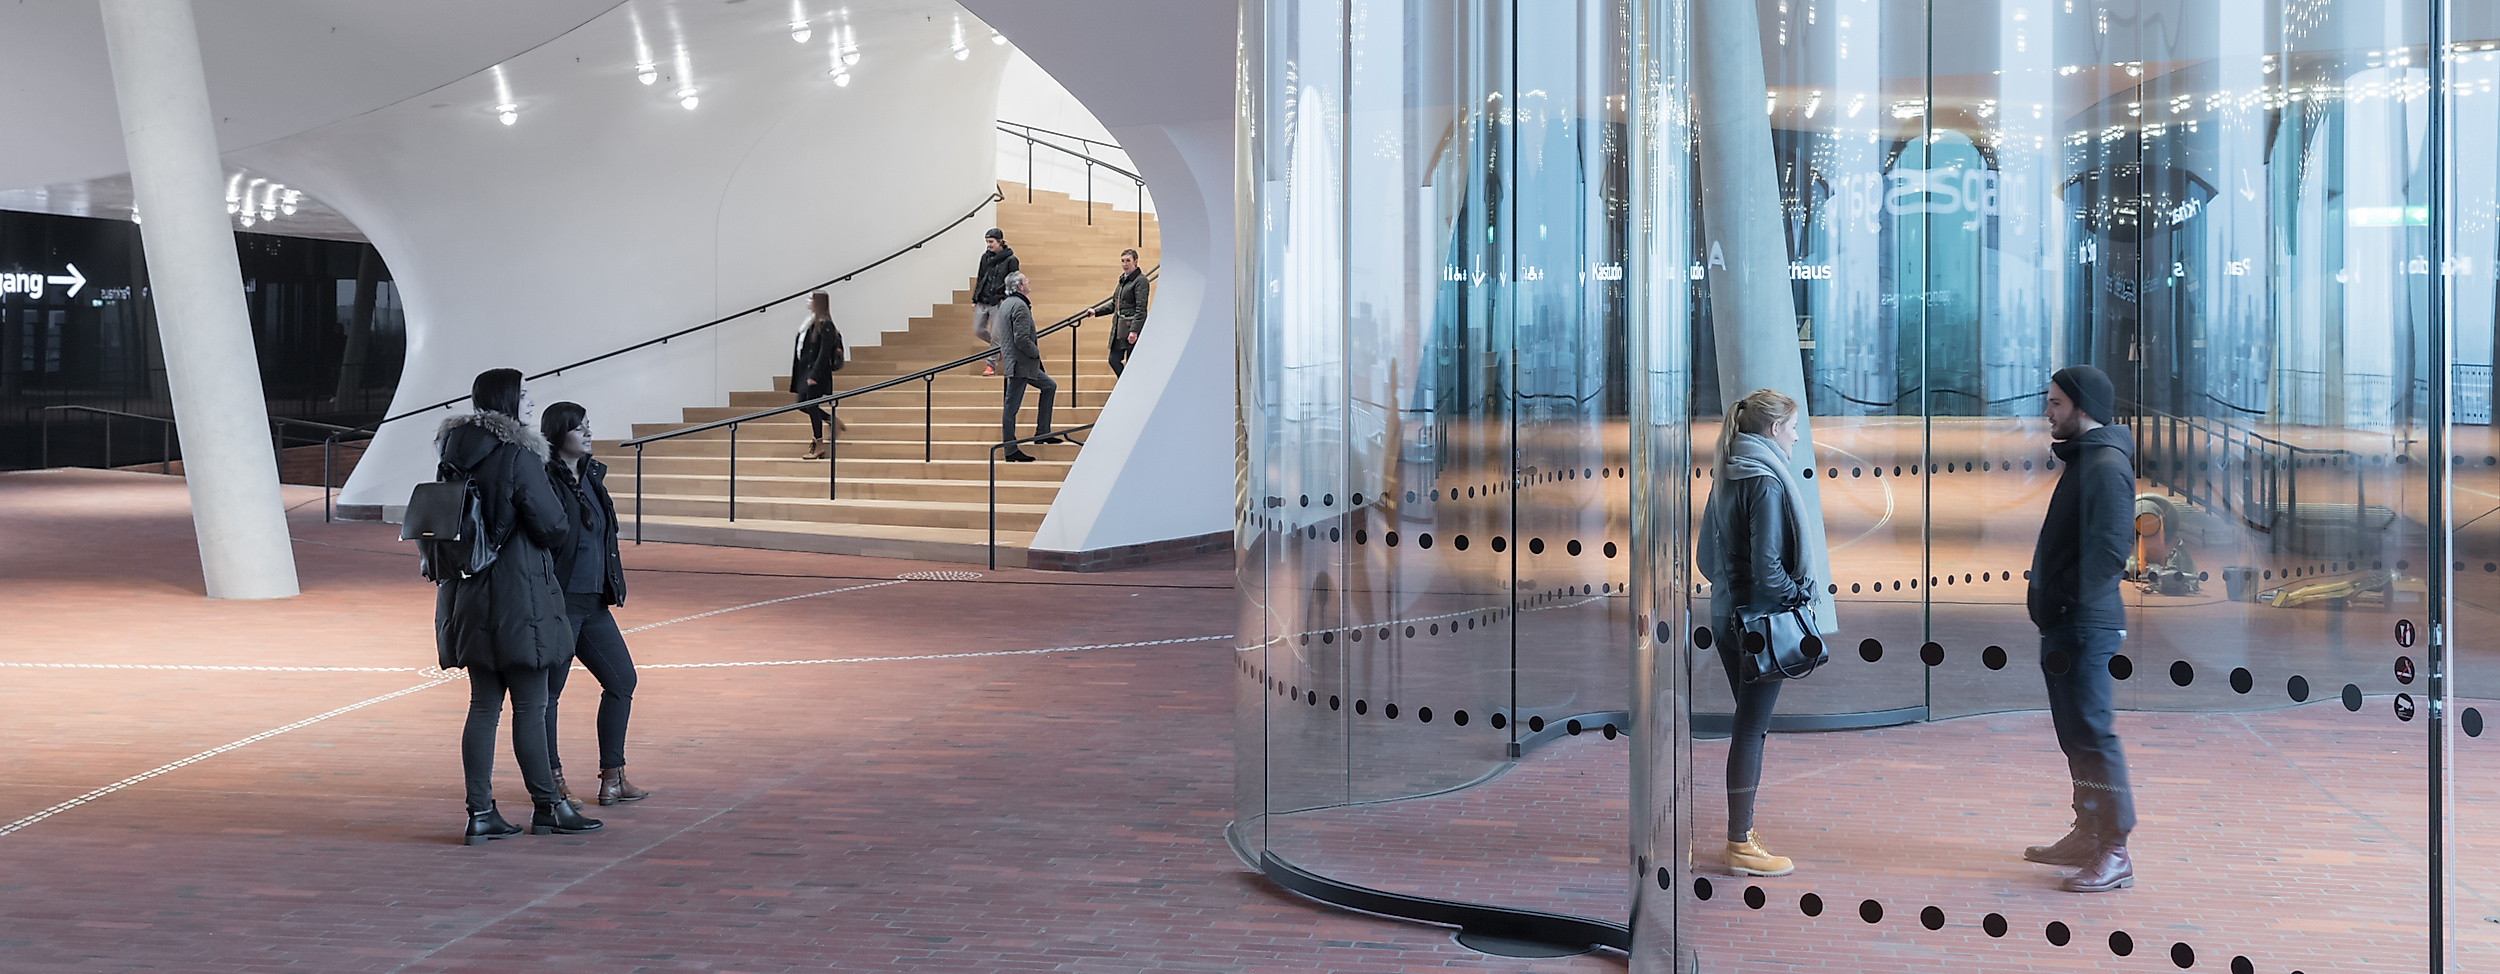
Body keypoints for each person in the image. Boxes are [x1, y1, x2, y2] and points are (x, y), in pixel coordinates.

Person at [436, 368, 603, 845]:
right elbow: (552, 526)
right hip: (518, 591)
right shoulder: (519, 454)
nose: (531, 402)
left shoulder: (453, 455)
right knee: (532, 703)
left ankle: (480, 812)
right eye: (524, 395)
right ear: (507, 401)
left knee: (483, 705)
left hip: (467, 591)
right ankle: (549, 806)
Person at [2021, 365, 2138, 893]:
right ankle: (2088, 829)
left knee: (2093, 733)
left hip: (2085, 625)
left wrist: (2060, 598)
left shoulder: (2107, 466)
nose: (2048, 410)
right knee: (2075, 737)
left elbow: (2112, 552)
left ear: (2082, 406)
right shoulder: (2088, 460)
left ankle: (2114, 848)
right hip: (2067, 624)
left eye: (2056, 403)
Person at [1695, 388, 1816, 878]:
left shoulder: (1727, 471)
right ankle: (1739, 843)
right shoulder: (1766, 482)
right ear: (1772, 430)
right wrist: (1799, 596)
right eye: (1791, 429)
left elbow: (1706, 558)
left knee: (1748, 726)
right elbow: (1769, 572)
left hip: (1726, 619)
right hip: (1762, 624)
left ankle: (1742, 835)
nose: (1794, 438)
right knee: (1751, 730)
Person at [540, 402, 653, 809]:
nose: (588, 433)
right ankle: (551, 780)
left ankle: (613, 778)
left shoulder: (591, 474)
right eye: (579, 428)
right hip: (561, 603)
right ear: (557, 435)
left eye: (589, 426)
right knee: (548, 695)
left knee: (622, 681)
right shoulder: (543, 479)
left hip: (594, 603)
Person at [997, 271, 1058, 463]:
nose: (1029, 283)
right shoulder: (1020, 306)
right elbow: (1021, 339)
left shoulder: (1006, 304)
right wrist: (1036, 353)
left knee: (1049, 386)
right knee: (1011, 408)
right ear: (1019, 287)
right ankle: (1010, 450)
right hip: (1021, 364)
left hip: (1017, 362)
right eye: (1026, 281)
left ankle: (1042, 432)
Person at [790, 292, 847, 459]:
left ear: (818, 302)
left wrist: (814, 374)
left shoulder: (826, 324)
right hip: (805, 372)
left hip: (817, 373)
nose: (807, 301)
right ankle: (832, 420)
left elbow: (823, 353)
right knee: (802, 404)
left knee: (812, 406)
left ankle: (818, 444)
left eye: (810, 299)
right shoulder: (809, 323)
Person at [1087, 248, 1150, 376]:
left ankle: (1130, 386)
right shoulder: (1123, 280)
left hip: (1131, 329)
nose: (1125, 264)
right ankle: (1125, 383)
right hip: (1120, 329)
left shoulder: (1140, 281)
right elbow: (1115, 304)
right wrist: (1096, 312)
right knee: (1113, 360)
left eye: (1128, 261)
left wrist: (1134, 331)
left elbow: (1141, 308)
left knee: (1132, 362)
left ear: (1136, 262)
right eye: (1122, 261)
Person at [972, 228, 1019, 376]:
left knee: (996, 336)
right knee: (978, 330)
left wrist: (1005, 299)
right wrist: (974, 298)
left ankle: (990, 365)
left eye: (991, 242)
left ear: (1000, 241)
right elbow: (980, 278)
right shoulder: (985, 257)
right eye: (987, 242)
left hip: (998, 302)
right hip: (982, 300)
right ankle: (1000, 348)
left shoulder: (1011, 260)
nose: (989, 245)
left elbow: (1014, 281)